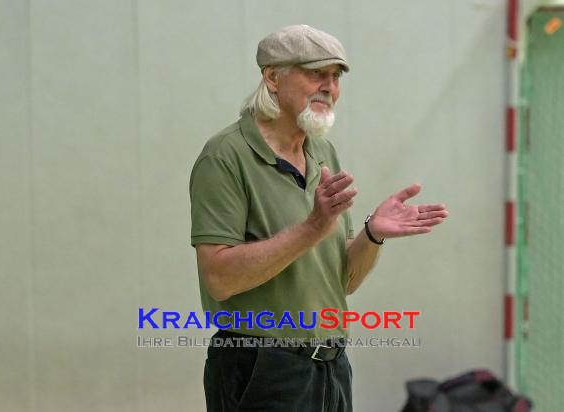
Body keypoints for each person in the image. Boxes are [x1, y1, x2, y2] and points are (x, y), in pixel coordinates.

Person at [189, 24, 448, 412]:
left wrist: (372, 234)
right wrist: (312, 227)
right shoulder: (225, 156)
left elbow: (343, 281)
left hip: (330, 366)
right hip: (260, 366)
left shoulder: (323, 152)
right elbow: (220, 278)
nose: (329, 86)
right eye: (316, 73)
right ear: (273, 77)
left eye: (336, 76)